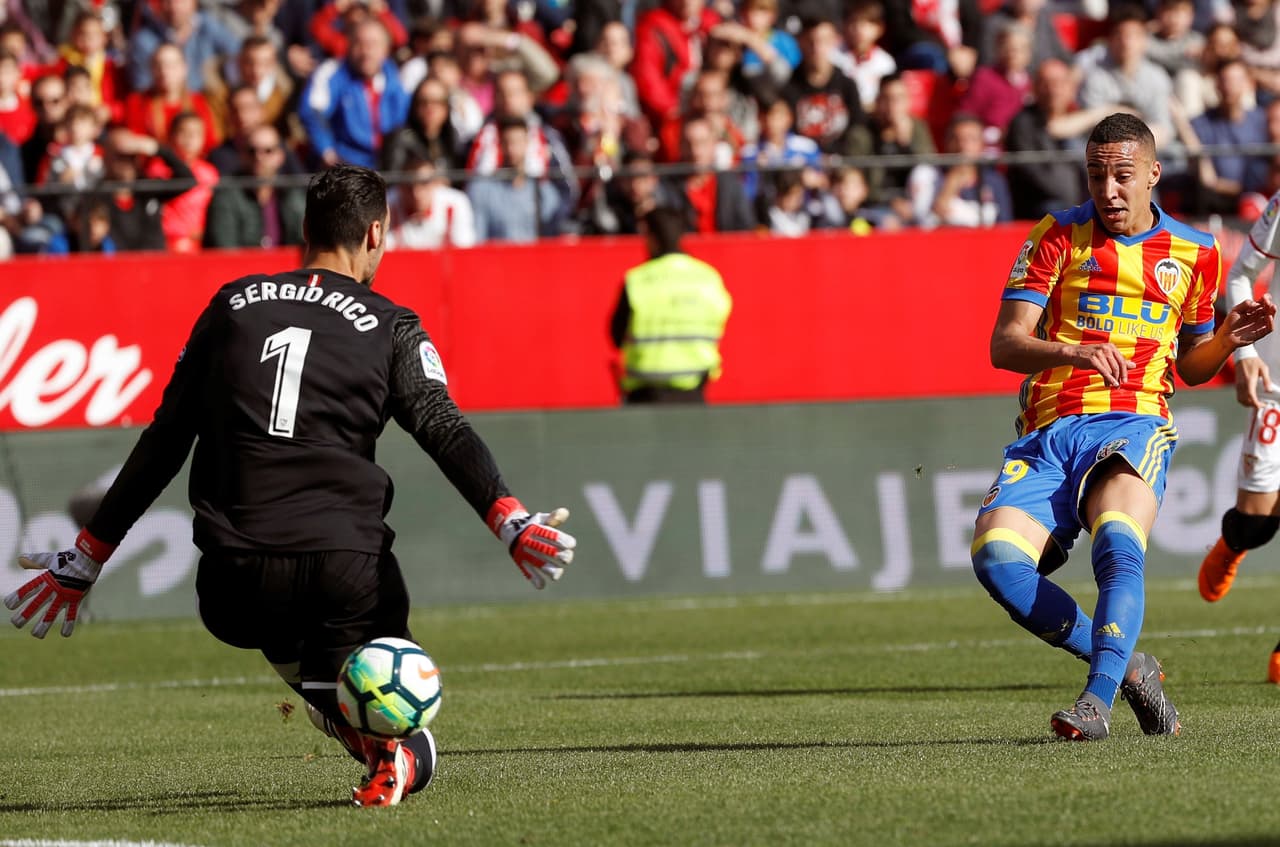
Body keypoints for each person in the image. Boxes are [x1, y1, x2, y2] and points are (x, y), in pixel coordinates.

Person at [4, 163, 576, 808]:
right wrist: (508, 518)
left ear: (304, 228)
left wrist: (87, 556)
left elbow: (166, 439)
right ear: (376, 233)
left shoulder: (230, 305)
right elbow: (442, 425)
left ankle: (344, 716)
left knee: (286, 639)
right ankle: (397, 747)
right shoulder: (392, 324)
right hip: (345, 569)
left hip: (234, 577)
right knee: (383, 670)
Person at [969, 112, 1276, 741]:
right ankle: (1131, 666)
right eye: (1095, 175)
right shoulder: (1057, 235)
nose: (1107, 190)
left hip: (1134, 420)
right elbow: (1005, 344)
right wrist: (1073, 351)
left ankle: (1096, 701)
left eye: (1121, 176)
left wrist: (1225, 340)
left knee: (1117, 539)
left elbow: (1190, 366)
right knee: (997, 562)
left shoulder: (1196, 251)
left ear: (1154, 174)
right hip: (1050, 428)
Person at [1197, 188, 1280, 684]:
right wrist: (1246, 353)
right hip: (1277, 391)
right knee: (1257, 524)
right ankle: (1233, 543)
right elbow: (1241, 275)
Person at [608, 205, 732, 404]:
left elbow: (616, 337)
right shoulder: (708, 278)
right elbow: (720, 318)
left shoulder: (637, 281)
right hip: (694, 391)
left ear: (652, 238)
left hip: (645, 394)